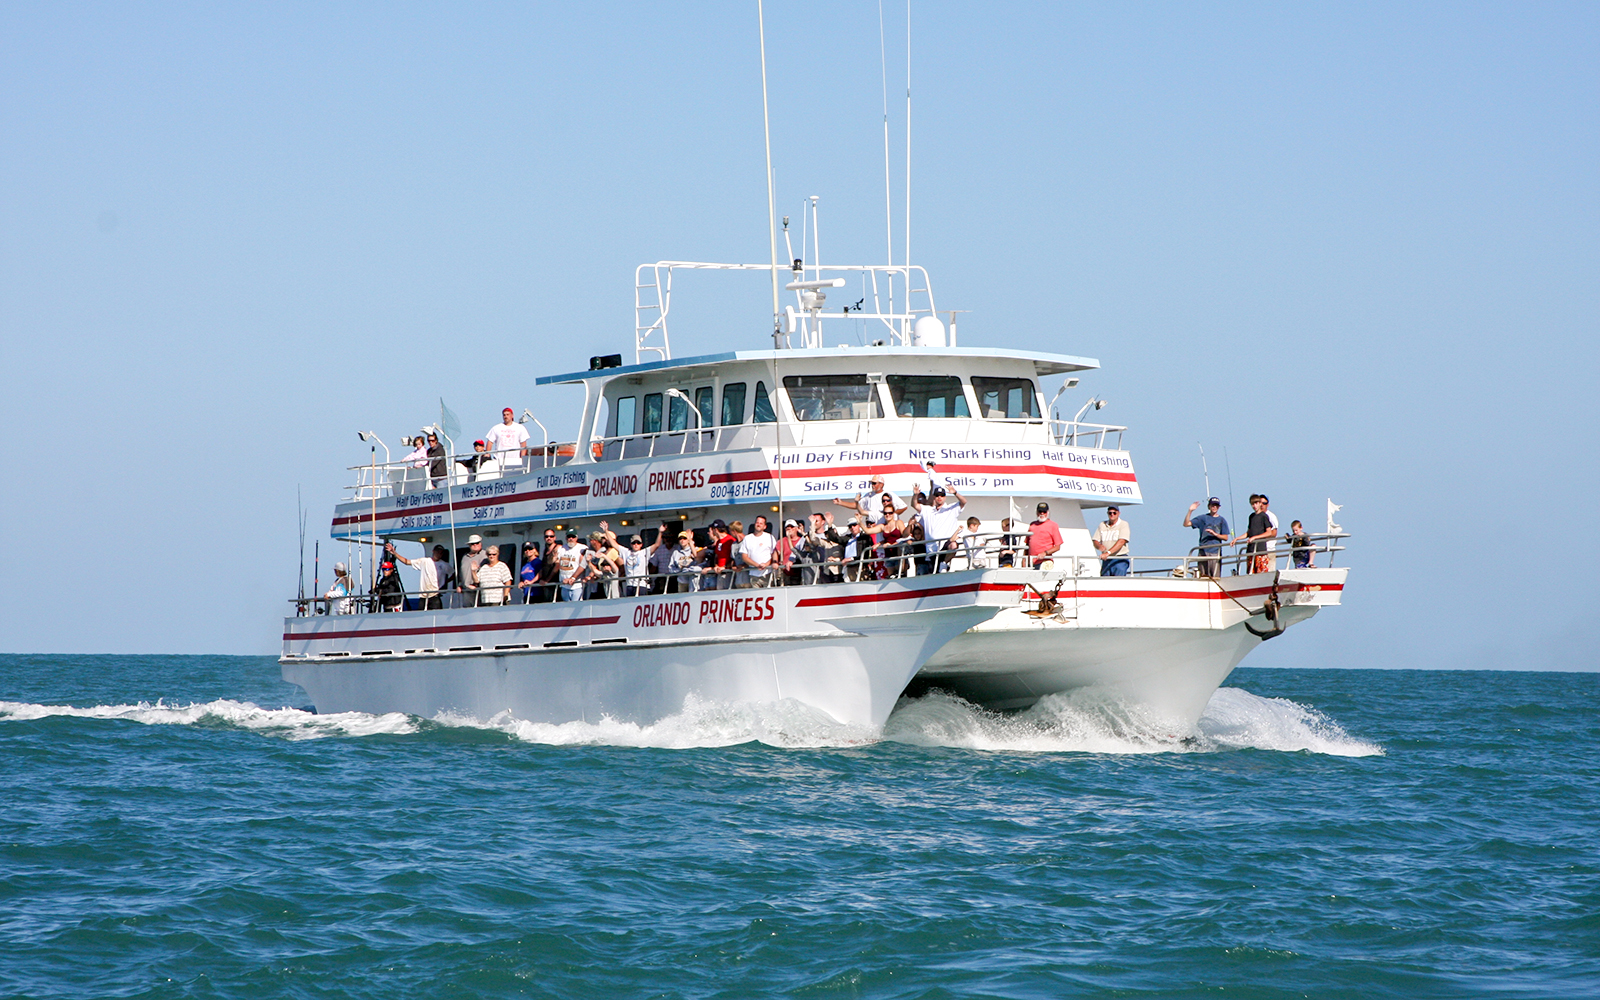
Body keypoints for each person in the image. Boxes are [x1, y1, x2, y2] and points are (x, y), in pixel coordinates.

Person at [909, 463, 967, 574]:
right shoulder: (927, 510)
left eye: (942, 495)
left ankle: (944, 563)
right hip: (931, 549)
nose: (939, 498)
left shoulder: (951, 508)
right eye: (937, 495)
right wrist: (915, 495)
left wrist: (955, 492)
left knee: (953, 545)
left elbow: (964, 502)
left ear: (945, 497)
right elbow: (914, 505)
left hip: (945, 545)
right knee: (933, 573)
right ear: (934, 497)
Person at [1183, 498, 1230, 578]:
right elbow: (1186, 524)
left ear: (1219, 507)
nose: (1214, 507)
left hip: (1215, 552)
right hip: (1203, 551)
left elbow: (1226, 537)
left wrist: (1215, 534)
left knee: (1215, 577)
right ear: (1209, 506)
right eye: (1212, 505)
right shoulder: (1203, 518)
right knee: (1203, 576)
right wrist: (1190, 511)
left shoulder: (1222, 520)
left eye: (1216, 505)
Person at [835, 475, 905, 526]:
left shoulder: (889, 494)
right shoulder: (868, 495)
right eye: (872, 483)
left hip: (886, 525)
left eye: (874, 483)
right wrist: (841, 503)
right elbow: (858, 506)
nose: (872, 485)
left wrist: (891, 514)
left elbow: (903, 507)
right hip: (872, 525)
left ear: (881, 484)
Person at [393, 544, 444, 610]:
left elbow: (453, 573)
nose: (439, 554)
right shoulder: (424, 561)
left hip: (435, 595)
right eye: (437, 551)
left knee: (437, 615)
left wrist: (444, 583)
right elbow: (407, 562)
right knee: (421, 616)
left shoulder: (444, 565)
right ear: (433, 551)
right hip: (423, 596)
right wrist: (395, 553)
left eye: (441, 552)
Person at [1235, 495, 1276, 574]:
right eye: (1252, 504)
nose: (1254, 506)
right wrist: (1237, 538)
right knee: (1250, 573)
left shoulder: (1264, 516)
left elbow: (1269, 532)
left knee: (1261, 573)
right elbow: (1248, 532)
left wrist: (1255, 537)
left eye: (1256, 503)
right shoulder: (1251, 516)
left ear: (1260, 503)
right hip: (1251, 550)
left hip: (1260, 550)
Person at [484, 407, 530, 474]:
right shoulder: (496, 428)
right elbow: (490, 442)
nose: (506, 416)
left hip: (515, 460)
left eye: (508, 414)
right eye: (504, 415)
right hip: (499, 460)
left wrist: (522, 458)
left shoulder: (520, 428)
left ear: (512, 415)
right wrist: (487, 454)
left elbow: (523, 444)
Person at [737, 516, 776, 588]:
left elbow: (774, 553)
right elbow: (744, 557)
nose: (758, 524)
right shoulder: (747, 538)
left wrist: (766, 564)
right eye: (757, 522)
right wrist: (757, 565)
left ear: (764, 526)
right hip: (753, 573)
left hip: (767, 573)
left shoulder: (769, 537)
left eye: (761, 523)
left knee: (768, 595)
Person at [1093, 505, 1131, 576]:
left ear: (1118, 513)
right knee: (1105, 582)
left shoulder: (1123, 524)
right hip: (1106, 559)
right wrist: (1099, 546)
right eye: (1110, 513)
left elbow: (1122, 541)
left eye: (1114, 513)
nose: (1112, 515)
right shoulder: (1102, 525)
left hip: (1120, 558)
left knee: (1118, 582)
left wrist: (1108, 553)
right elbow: (1095, 540)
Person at [1027, 503, 1063, 569]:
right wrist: (1024, 560)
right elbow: (1027, 545)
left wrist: (1045, 553)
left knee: (1041, 578)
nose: (1042, 513)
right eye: (1040, 511)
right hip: (1031, 562)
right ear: (1036, 512)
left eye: (1044, 512)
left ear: (1048, 512)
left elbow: (1057, 547)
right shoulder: (1032, 525)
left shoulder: (1053, 525)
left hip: (1045, 561)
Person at [556, 532, 588, 602]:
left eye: (573, 537)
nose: (571, 539)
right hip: (564, 585)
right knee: (567, 608)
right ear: (566, 538)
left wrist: (572, 578)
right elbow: (557, 564)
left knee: (576, 606)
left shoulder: (582, 548)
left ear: (576, 538)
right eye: (569, 537)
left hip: (577, 585)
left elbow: (583, 565)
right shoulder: (561, 549)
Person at [647, 523, 677, 594]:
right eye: (666, 538)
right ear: (663, 539)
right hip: (662, 577)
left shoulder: (677, 548)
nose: (668, 539)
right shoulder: (659, 549)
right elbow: (654, 566)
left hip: (674, 577)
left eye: (670, 537)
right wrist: (649, 577)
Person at [457, 534, 486, 606]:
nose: (475, 545)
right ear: (469, 545)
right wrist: (460, 585)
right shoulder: (465, 557)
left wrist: (477, 585)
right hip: (466, 591)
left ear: (481, 543)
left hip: (478, 590)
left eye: (477, 543)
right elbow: (462, 573)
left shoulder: (485, 555)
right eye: (473, 544)